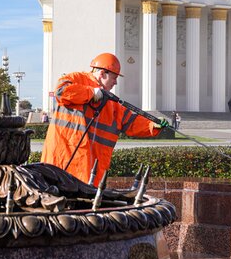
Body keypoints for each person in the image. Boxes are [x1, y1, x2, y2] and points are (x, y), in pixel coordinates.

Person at [41, 53, 165, 185]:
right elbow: (61, 92)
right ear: (102, 73)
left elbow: (131, 122)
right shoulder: (76, 79)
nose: (116, 82)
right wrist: (91, 93)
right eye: (114, 77)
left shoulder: (111, 103)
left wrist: (152, 125)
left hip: (90, 174)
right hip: (61, 166)